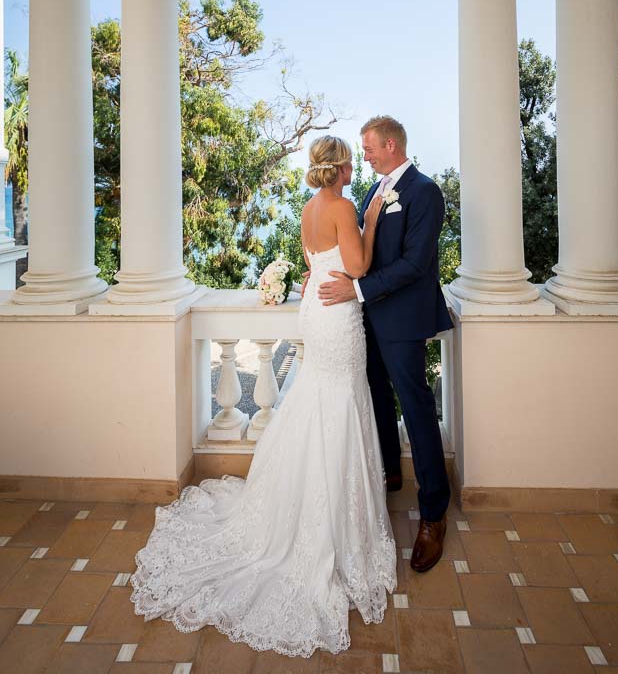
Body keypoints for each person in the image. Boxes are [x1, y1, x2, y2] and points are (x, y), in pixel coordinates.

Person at [130, 135, 396, 658]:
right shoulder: (343, 206)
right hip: (338, 314)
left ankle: (304, 505)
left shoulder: (308, 208)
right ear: (341, 166)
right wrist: (373, 219)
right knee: (338, 400)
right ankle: (332, 521)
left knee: (318, 397)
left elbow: (311, 260)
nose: (351, 168)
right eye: (349, 161)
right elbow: (359, 268)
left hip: (315, 313)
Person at [319, 115, 453, 573]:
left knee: (416, 409)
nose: (366, 156)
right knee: (376, 397)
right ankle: (390, 471)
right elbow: (358, 249)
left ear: (391, 145)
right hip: (365, 320)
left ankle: (434, 513)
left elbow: (416, 264)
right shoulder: (375, 192)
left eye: (370, 148)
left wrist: (355, 291)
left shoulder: (424, 191)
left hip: (402, 320)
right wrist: (319, 272)